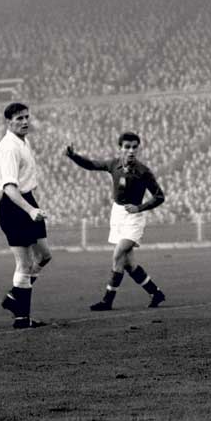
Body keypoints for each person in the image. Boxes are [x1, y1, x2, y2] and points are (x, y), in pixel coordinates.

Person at [64, 131, 167, 310]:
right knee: (128, 263)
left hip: (134, 216)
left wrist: (139, 208)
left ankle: (107, 300)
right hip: (117, 213)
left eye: (135, 147)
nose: (131, 150)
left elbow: (159, 197)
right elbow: (91, 165)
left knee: (118, 254)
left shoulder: (144, 171)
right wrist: (73, 156)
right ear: (120, 148)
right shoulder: (113, 164)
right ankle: (155, 293)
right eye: (127, 147)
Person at [0, 102, 51, 329]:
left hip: (27, 201)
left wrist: (32, 205)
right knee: (24, 263)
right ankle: (22, 318)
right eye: (19, 118)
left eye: (27, 117)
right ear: (8, 122)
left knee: (44, 256)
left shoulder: (23, 141)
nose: (25, 121)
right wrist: (30, 210)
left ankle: (14, 297)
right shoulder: (9, 147)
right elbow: (9, 187)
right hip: (14, 206)